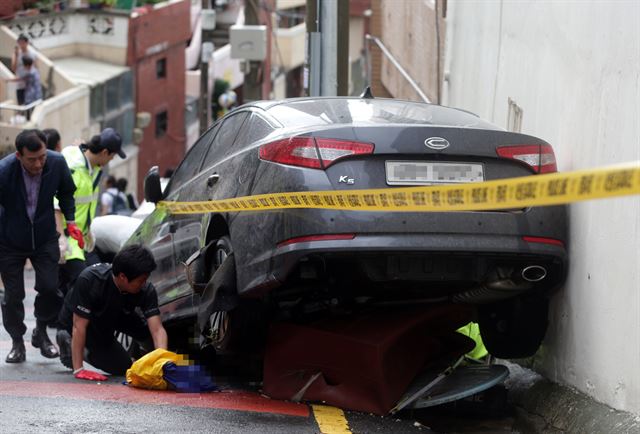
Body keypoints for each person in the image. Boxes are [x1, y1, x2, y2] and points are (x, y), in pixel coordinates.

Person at [0, 129, 83, 363]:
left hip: (45, 236)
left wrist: (71, 221)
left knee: (49, 287)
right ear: (19, 155)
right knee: (13, 296)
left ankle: (41, 331)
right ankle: (17, 342)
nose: (38, 164)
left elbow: (67, 192)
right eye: (32, 159)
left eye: (42, 157)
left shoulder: (56, 163)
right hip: (10, 241)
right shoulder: (4, 171)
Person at [56, 245, 168, 380]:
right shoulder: (91, 279)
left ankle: (147, 359)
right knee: (122, 367)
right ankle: (70, 345)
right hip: (86, 321)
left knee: (143, 338)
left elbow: (157, 329)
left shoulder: (146, 290)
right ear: (123, 277)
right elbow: (78, 326)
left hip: (116, 315)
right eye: (141, 281)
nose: (144, 284)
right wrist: (79, 370)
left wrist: (163, 362)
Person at [55, 128, 127, 297]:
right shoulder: (75, 168)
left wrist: (88, 233)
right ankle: (63, 322)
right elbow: (56, 204)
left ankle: (61, 321)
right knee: (82, 283)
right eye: (112, 156)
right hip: (67, 238)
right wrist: (60, 237)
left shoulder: (93, 170)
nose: (111, 160)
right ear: (104, 152)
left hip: (81, 239)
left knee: (92, 279)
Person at [5, 55, 42, 120]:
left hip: (32, 97)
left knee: (29, 115)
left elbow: (20, 79)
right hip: (37, 96)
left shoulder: (30, 73)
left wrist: (7, 80)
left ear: (27, 65)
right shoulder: (35, 71)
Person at [10, 34, 37, 106]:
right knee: (21, 104)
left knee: (31, 105)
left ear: (27, 43)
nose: (21, 45)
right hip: (20, 85)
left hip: (30, 85)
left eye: (23, 43)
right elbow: (13, 68)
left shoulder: (32, 54)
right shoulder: (16, 54)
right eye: (19, 43)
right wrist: (16, 55)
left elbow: (35, 68)